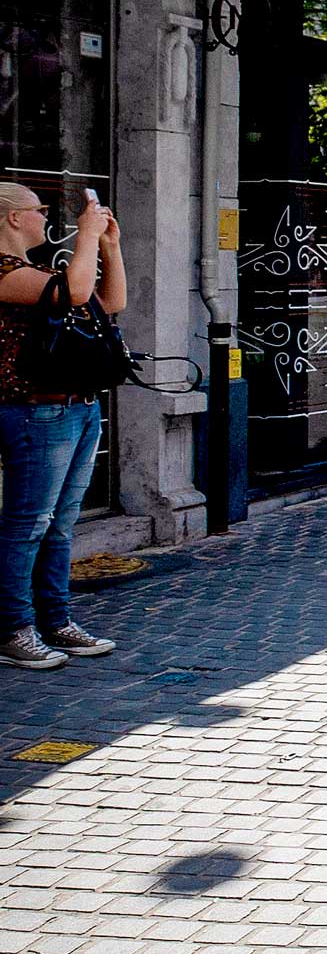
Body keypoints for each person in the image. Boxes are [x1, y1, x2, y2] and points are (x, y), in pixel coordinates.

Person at [0, 184, 123, 670]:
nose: (44, 217)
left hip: (77, 406)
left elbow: (108, 303)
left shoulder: (41, 270)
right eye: (39, 210)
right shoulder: (6, 272)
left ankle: (55, 620)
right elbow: (74, 291)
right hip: (35, 409)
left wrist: (108, 248)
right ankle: (12, 628)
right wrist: (86, 235)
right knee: (27, 525)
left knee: (59, 524)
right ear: (12, 219)